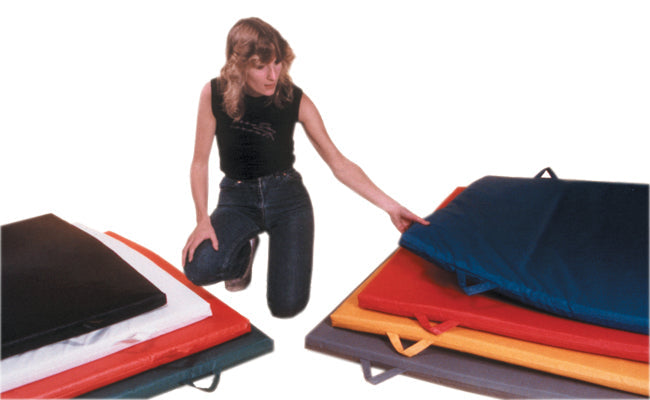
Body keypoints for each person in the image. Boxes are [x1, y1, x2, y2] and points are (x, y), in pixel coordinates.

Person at [182, 17, 428, 318]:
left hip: (286, 198)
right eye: (261, 66)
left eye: (277, 63)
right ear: (239, 65)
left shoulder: (294, 99)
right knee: (199, 268)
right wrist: (202, 219)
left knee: (287, 306)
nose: (273, 75)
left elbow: (339, 163)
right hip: (237, 197)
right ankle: (243, 250)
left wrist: (391, 207)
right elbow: (199, 162)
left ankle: (260, 251)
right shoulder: (214, 94)